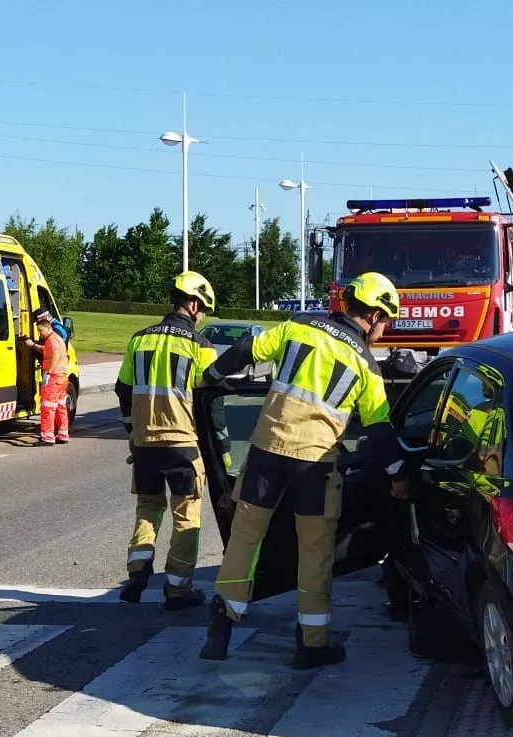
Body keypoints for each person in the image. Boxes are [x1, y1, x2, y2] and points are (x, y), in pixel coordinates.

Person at [199, 271, 408, 669]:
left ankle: (220, 627)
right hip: (313, 467)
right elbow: (379, 430)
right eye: (387, 322)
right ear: (375, 315)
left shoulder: (299, 327)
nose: (385, 331)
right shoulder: (366, 365)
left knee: (244, 541)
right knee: (314, 552)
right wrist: (398, 474)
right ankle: (312, 646)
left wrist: (211, 377)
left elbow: (246, 348)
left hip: (264, 454)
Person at [115, 271, 225, 611]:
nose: (202, 316)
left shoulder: (139, 339)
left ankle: (137, 568)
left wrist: (132, 430)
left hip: (145, 442)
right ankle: (178, 590)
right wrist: (219, 444)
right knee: (186, 515)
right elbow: (210, 400)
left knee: (148, 507)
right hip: (182, 443)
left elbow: (123, 388)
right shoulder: (201, 346)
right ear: (193, 304)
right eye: (203, 309)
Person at [32, 309, 72, 444]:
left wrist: (48, 372)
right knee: (61, 407)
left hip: (53, 378)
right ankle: (63, 434)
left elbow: (55, 354)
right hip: (62, 378)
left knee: (48, 407)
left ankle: (47, 437)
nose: (40, 334)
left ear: (48, 327)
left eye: (41, 330)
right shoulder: (58, 338)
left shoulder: (51, 339)